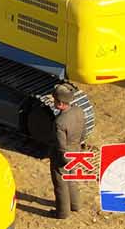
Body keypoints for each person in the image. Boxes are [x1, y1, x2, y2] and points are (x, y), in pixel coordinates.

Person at [50, 83, 86, 219]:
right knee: (72, 179)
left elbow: (60, 146)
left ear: (60, 103)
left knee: (60, 184)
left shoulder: (60, 122)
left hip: (64, 157)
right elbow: (83, 132)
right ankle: (75, 205)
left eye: (54, 100)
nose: (53, 102)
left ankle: (62, 212)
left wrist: (63, 160)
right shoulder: (79, 111)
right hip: (76, 151)